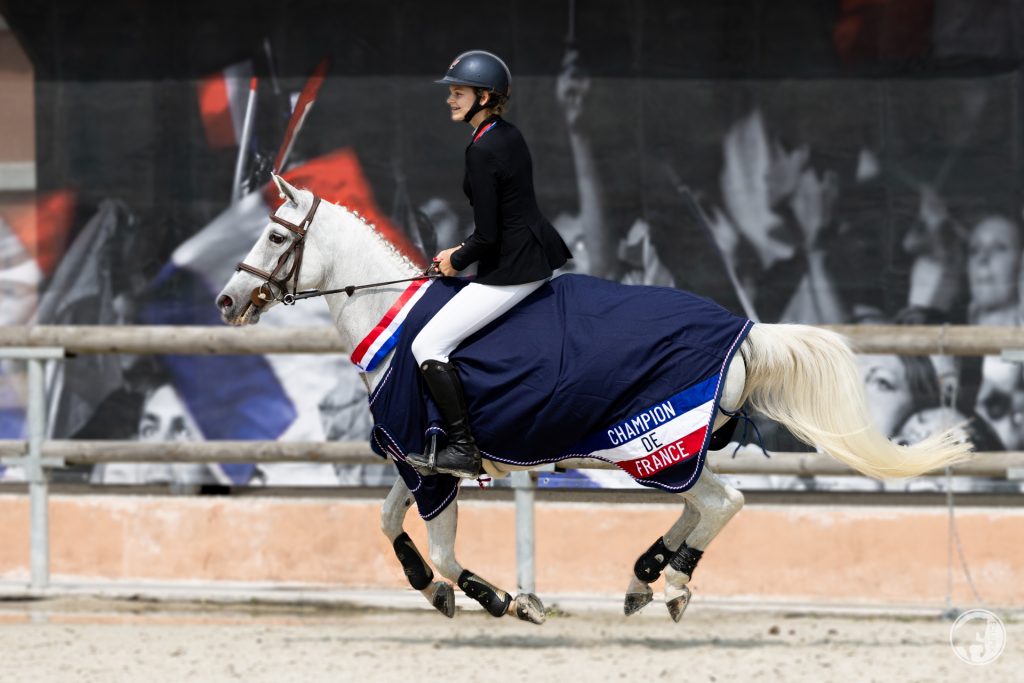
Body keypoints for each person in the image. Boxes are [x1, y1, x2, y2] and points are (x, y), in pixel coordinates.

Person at [407, 50, 572, 478]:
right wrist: (461, 251)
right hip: (528, 252)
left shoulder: (482, 151)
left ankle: (463, 447)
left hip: (512, 268)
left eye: (458, 92)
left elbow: (489, 235)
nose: (450, 99)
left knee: (427, 346)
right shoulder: (505, 134)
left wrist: (454, 259)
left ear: (484, 96)